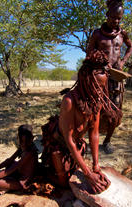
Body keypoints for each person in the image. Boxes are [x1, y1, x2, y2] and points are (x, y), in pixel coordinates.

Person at [41, 50, 114, 194]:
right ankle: (38, 174)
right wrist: (88, 174)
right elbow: (69, 140)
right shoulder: (69, 101)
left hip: (76, 145)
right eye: (98, 86)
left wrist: (96, 166)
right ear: (87, 80)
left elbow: (94, 134)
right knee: (63, 184)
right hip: (60, 145)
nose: (101, 92)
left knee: (76, 177)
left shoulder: (95, 103)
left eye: (103, 87)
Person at [86, 0, 132, 154]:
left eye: (119, 18)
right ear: (107, 15)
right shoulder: (97, 34)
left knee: (115, 111)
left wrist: (122, 61)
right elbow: (89, 52)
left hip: (116, 79)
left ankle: (107, 141)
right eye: (114, 17)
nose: (116, 21)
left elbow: (130, 47)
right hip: (99, 78)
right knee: (94, 109)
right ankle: (91, 139)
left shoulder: (122, 34)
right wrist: (100, 61)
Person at [0, 125, 38, 194]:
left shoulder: (30, 152)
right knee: (10, 163)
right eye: (22, 141)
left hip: (24, 182)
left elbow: (11, 170)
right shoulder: (23, 147)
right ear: (19, 138)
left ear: (31, 139)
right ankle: (4, 186)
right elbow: (9, 161)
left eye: (25, 141)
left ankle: (4, 186)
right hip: (18, 173)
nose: (23, 143)